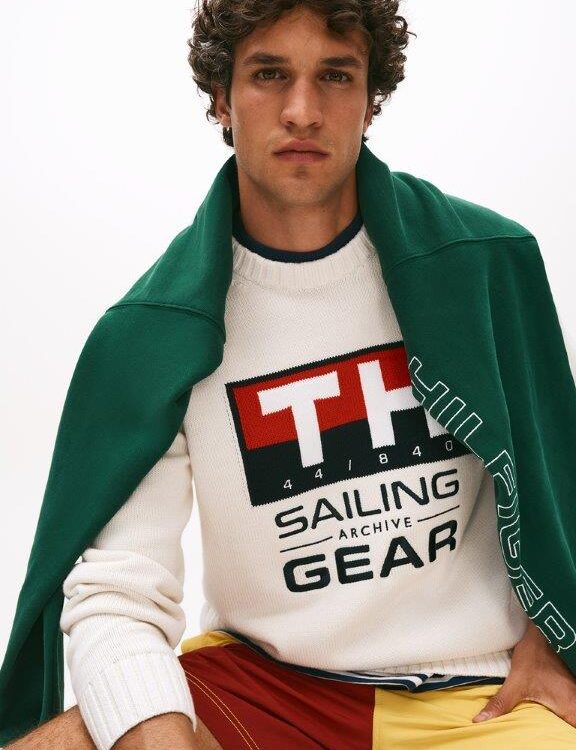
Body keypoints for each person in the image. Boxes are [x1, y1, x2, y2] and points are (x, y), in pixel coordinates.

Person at [3, 1, 576, 749]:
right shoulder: (154, 334)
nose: (302, 111)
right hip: (266, 685)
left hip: (476, 696)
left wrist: (553, 635)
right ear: (221, 97)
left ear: (370, 98)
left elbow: (560, 483)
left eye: (334, 76)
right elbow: (119, 592)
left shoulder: (483, 266)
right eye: (270, 75)